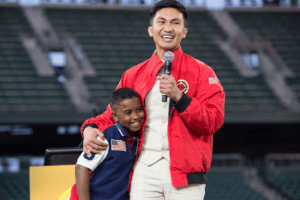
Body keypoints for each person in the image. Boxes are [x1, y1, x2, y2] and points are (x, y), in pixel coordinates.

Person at [81, 0, 225, 199]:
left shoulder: (203, 72)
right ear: (151, 30)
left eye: (175, 23)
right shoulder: (133, 75)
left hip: (186, 173)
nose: (168, 28)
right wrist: (89, 128)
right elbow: (112, 114)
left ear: (184, 31)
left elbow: (213, 121)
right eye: (161, 22)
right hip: (144, 170)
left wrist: (180, 97)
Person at [70, 87, 145, 200]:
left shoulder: (137, 139)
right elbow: (81, 168)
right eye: (128, 113)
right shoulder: (105, 136)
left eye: (139, 110)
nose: (135, 116)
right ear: (115, 116)